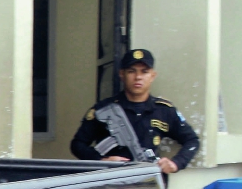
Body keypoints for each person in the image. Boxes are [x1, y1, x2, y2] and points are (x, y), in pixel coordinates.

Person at [71, 48, 199, 174]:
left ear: (152, 76)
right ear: (122, 74)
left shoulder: (164, 110)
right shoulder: (104, 109)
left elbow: (192, 140)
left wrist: (176, 163)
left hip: (149, 185)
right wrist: (102, 161)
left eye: (144, 72)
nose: (138, 77)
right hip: (111, 184)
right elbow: (78, 144)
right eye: (132, 71)